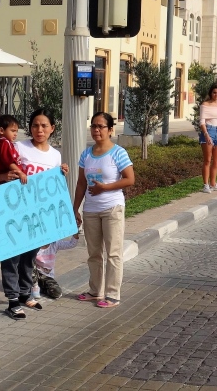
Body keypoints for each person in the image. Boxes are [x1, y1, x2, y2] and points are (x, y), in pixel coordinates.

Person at [0, 108, 69, 319]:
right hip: (14, 212)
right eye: (35, 125)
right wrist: (5, 176)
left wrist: (61, 173)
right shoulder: (18, 147)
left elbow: (53, 190)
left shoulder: (55, 155)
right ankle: (12, 301)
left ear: (52, 128)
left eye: (44, 125)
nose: (39, 129)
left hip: (37, 217)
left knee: (29, 258)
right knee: (11, 258)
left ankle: (25, 294)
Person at [74, 111, 135, 309]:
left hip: (112, 209)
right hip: (91, 210)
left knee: (113, 253)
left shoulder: (118, 153)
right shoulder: (86, 154)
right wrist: (75, 209)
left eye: (101, 126)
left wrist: (105, 188)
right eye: (93, 126)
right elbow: (81, 184)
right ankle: (95, 290)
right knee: (94, 253)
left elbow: (129, 179)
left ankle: (112, 294)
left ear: (110, 130)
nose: (96, 130)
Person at [198, 84, 217, 193]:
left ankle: (213, 183)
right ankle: (206, 185)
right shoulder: (205, 104)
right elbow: (202, 121)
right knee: (207, 160)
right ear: (211, 93)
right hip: (208, 130)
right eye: (214, 92)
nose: (216, 95)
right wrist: (206, 134)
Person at [32, 233, 79, 299]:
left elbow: (72, 244)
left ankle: (42, 288)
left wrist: (76, 231)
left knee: (57, 293)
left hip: (46, 277)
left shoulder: (55, 244)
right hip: (34, 274)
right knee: (30, 264)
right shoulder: (33, 246)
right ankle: (34, 286)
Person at [0, 114, 27, 184]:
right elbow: (8, 161)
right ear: (1, 130)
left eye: (16, 131)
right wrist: (20, 173)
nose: (15, 134)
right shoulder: (5, 143)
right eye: (13, 131)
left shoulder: (0, 144)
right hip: (11, 178)